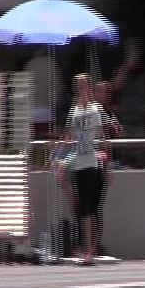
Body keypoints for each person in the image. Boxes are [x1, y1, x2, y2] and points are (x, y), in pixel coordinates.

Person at [63, 73, 114, 264]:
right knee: (83, 207)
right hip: (79, 162)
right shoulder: (74, 110)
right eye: (80, 86)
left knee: (92, 207)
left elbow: (103, 137)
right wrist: (59, 152)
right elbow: (68, 134)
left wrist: (107, 166)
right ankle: (87, 247)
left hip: (93, 162)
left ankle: (92, 248)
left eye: (85, 86)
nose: (83, 89)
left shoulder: (95, 109)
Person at [110, 39, 145, 167]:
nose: (133, 54)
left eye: (135, 52)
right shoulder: (121, 71)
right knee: (124, 156)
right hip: (124, 122)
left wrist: (144, 110)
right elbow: (115, 88)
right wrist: (126, 67)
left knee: (139, 156)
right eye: (130, 52)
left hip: (140, 122)